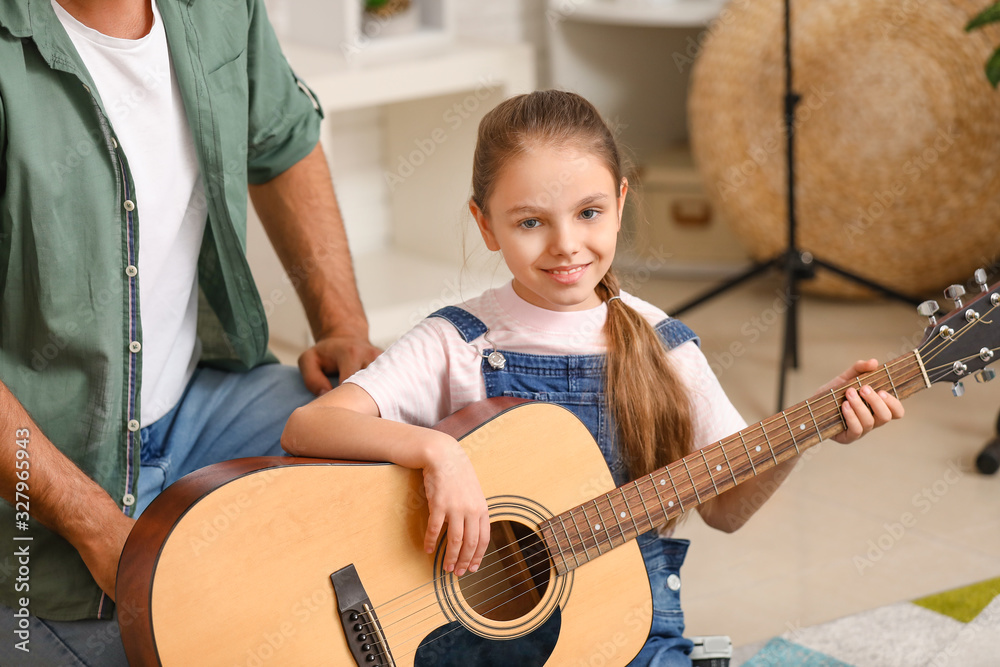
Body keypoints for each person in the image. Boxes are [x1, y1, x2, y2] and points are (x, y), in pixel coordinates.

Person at [280, 90, 905, 666]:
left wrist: (811, 429)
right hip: (460, 640)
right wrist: (437, 451)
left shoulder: (663, 346)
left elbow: (726, 508)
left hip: (624, 631)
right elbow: (310, 425)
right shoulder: (460, 340)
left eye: (588, 212)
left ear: (622, 202)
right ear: (484, 224)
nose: (566, 245)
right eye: (530, 222)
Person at [0, 0, 379, 663]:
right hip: (46, 477)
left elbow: (282, 141)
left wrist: (342, 325)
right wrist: (91, 521)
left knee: (395, 472)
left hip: (204, 402)